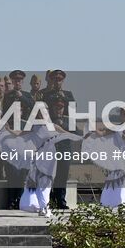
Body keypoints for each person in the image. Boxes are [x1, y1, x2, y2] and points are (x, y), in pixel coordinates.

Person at [39, 71, 77, 210]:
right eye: (55, 80)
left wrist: (64, 99)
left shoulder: (68, 95)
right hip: (51, 137)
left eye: (59, 80)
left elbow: (73, 111)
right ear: (51, 80)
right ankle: (49, 199)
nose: (57, 82)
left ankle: (60, 199)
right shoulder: (45, 94)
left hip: (64, 139)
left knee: (63, 171)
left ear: (63, 81)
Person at [0, 71, 29, 208]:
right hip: (11, 134)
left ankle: (21, 200)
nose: (17, 82)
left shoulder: (27, 95)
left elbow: (34, 108)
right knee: (11, 170)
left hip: (24, 136)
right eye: (15, 80)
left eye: (19, 80)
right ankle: (12, 200)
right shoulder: (7, 96)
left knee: (22, 172)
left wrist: (22, 97)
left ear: (22, 82)